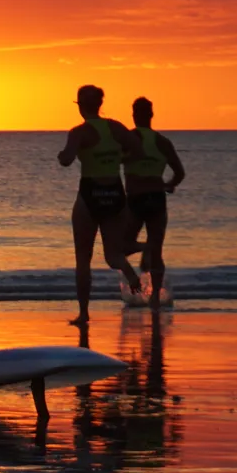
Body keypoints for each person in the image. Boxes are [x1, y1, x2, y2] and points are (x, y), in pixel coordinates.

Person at [57, 83, 143, 325]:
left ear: (81, 107)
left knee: (83, 260)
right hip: (115, 194)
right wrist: (117, 158)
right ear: (100, 105)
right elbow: (137, 151)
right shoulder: (115, 127)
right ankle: (129, 273)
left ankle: (84, 314)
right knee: (113, 255)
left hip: (90, 195)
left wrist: (63, 156)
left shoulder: (78, 132)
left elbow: (66, 159)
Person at [121, 96, 186, 308]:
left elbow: (113, 163)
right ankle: (156, 298)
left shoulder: (128, 139)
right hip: (157, 199)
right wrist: (168, 184)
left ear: (133, 115)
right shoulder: (163, 142)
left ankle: (145, 250)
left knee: (122, 247)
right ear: (151, 115)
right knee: (157, 251)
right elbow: (179, 173)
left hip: (135, 199)